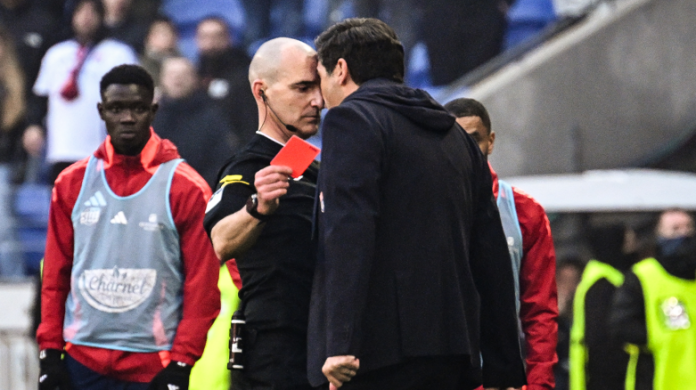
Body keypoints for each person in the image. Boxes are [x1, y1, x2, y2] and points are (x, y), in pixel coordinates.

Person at [309, 18, 525, 390]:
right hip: (453, 350)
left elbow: (350, 229)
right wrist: (504, 364)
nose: (320, 97)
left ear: (340, 70)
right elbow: (489, 249)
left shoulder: (351, 119)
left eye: (320, 79)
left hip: (379, 354)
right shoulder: (455, 135)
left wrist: (340, 342)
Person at [36, 64, 220, 390]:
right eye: (116, 108)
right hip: (81, 364)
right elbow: (54, 275)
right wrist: (50, 354)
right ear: (101, 111)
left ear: (153, 111)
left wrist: (181, 363)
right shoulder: (71, 183)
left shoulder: (187, 188)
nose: (127, 118)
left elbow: (202, 287)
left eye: (137, 108)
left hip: (153, 366)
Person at [203, 37, 323, 390]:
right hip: (275, 355)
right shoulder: (247, 167)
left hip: (318, 348)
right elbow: (221, 241)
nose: (316, 100)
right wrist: (257, 208)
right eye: (302, 88)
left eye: (317, 86)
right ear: (262, 91)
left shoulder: (311, 165)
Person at [444, 97, 559, 390]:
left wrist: (538, 384)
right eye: (457, 142)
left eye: (475, 141)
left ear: (491, 141)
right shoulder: (426, 210)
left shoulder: (525, 212)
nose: (468, 152)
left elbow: (540, 310)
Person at [24, 0, 138, 183]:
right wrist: (34, 125)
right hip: (61, 148)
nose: (86, 17)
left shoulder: (118, 53)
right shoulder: (56, 54)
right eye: (80, 12)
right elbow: (40, 96)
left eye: (92, 12)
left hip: (103, 150)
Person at [610, 209, 696, 390]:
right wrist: (659, 337)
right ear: (659, 235)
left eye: (688, 228)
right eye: (675, 229)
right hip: (657, 380)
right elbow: (621, 325)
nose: (684, 234)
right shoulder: (642, 276)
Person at [569, 224, 640, 390]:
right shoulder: (604, 286)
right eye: (629, 243)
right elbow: (602, 341)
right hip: (605, 378)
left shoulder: (602, 280)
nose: (634, 248)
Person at [153, 56, 238, 189]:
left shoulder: (212, 116)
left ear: (195, 79)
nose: (177, 79)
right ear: (162, 79)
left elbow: (222, 162)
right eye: (172, 74)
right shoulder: (151, 119)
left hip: (201, 193)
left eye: (184, 75)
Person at [196, 16, 256, 147]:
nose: (211, 43)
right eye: (205, 37)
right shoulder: (194, 75)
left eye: (216, 36)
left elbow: (250, 122)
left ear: (228, 38)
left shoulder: (246, 75)